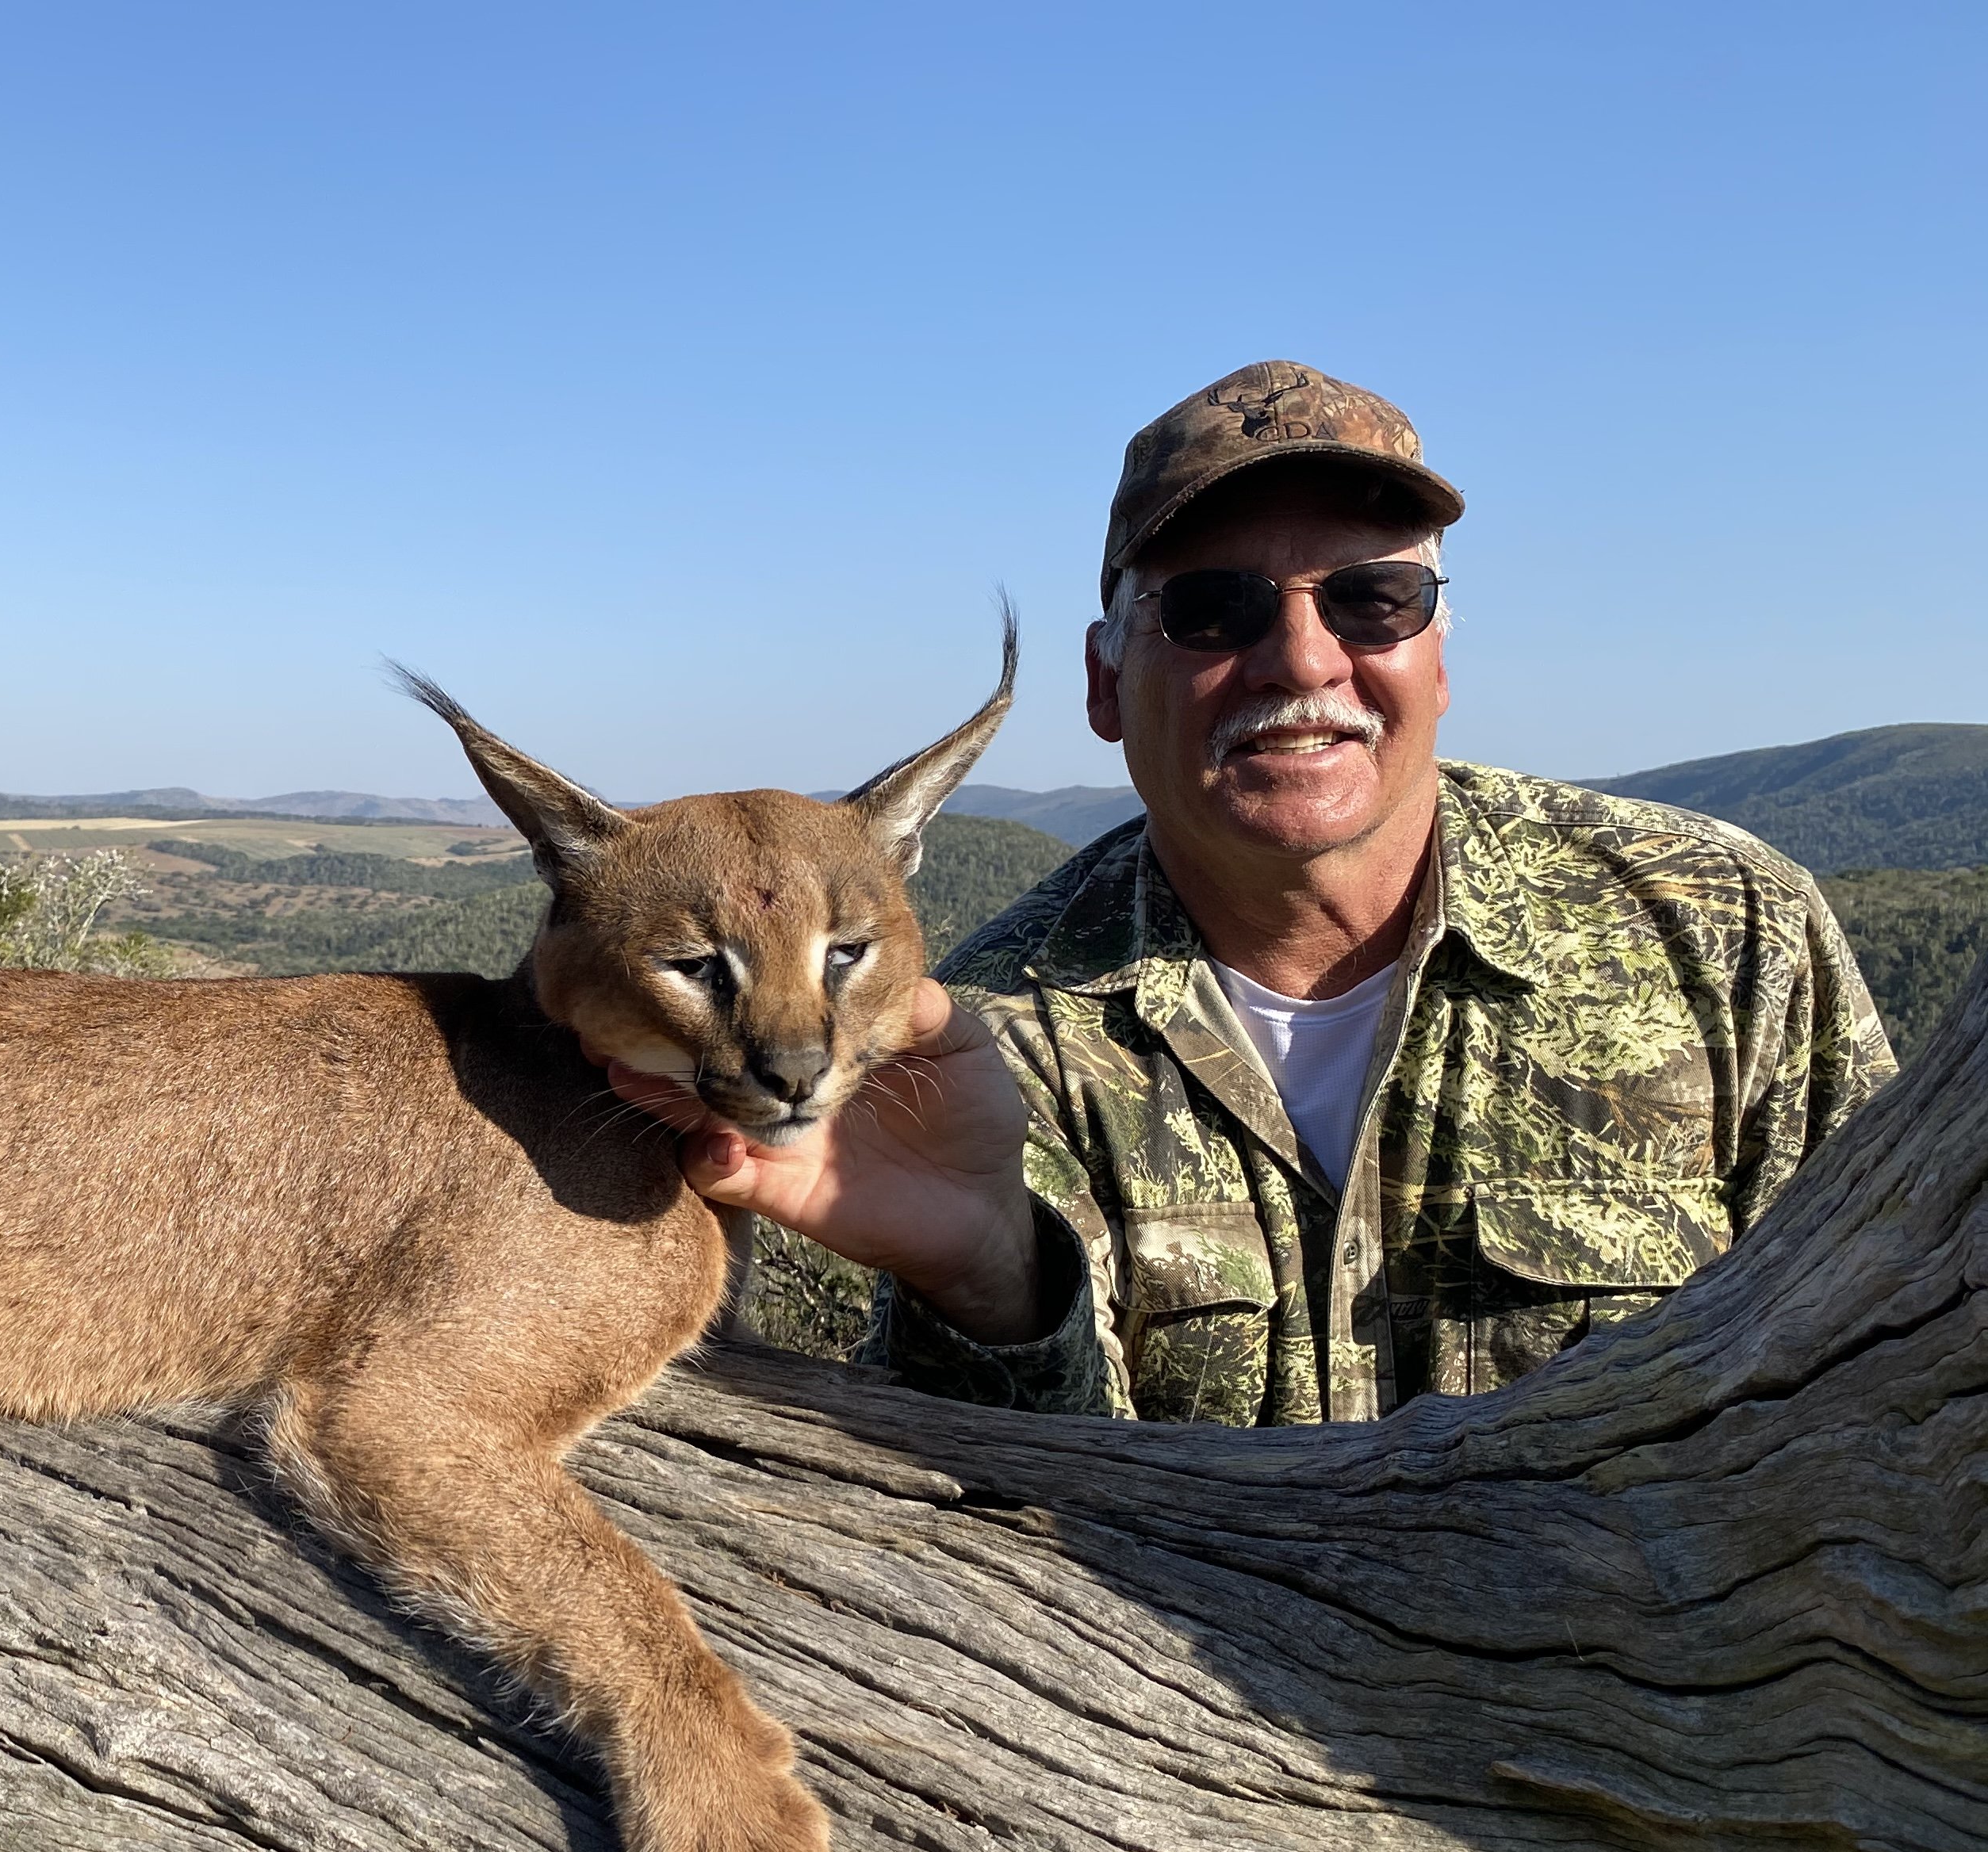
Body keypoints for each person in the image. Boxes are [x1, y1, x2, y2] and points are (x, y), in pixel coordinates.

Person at [618, 361, 1896, 1422]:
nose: (1302, 656)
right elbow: (1009, 1543)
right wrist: (997, 1283)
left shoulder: (1720, 926)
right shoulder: (987, 1047)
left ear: (1437, 655)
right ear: (1107, 681)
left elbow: (1896, 1355)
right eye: (1213, 610)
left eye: (1373, 597)